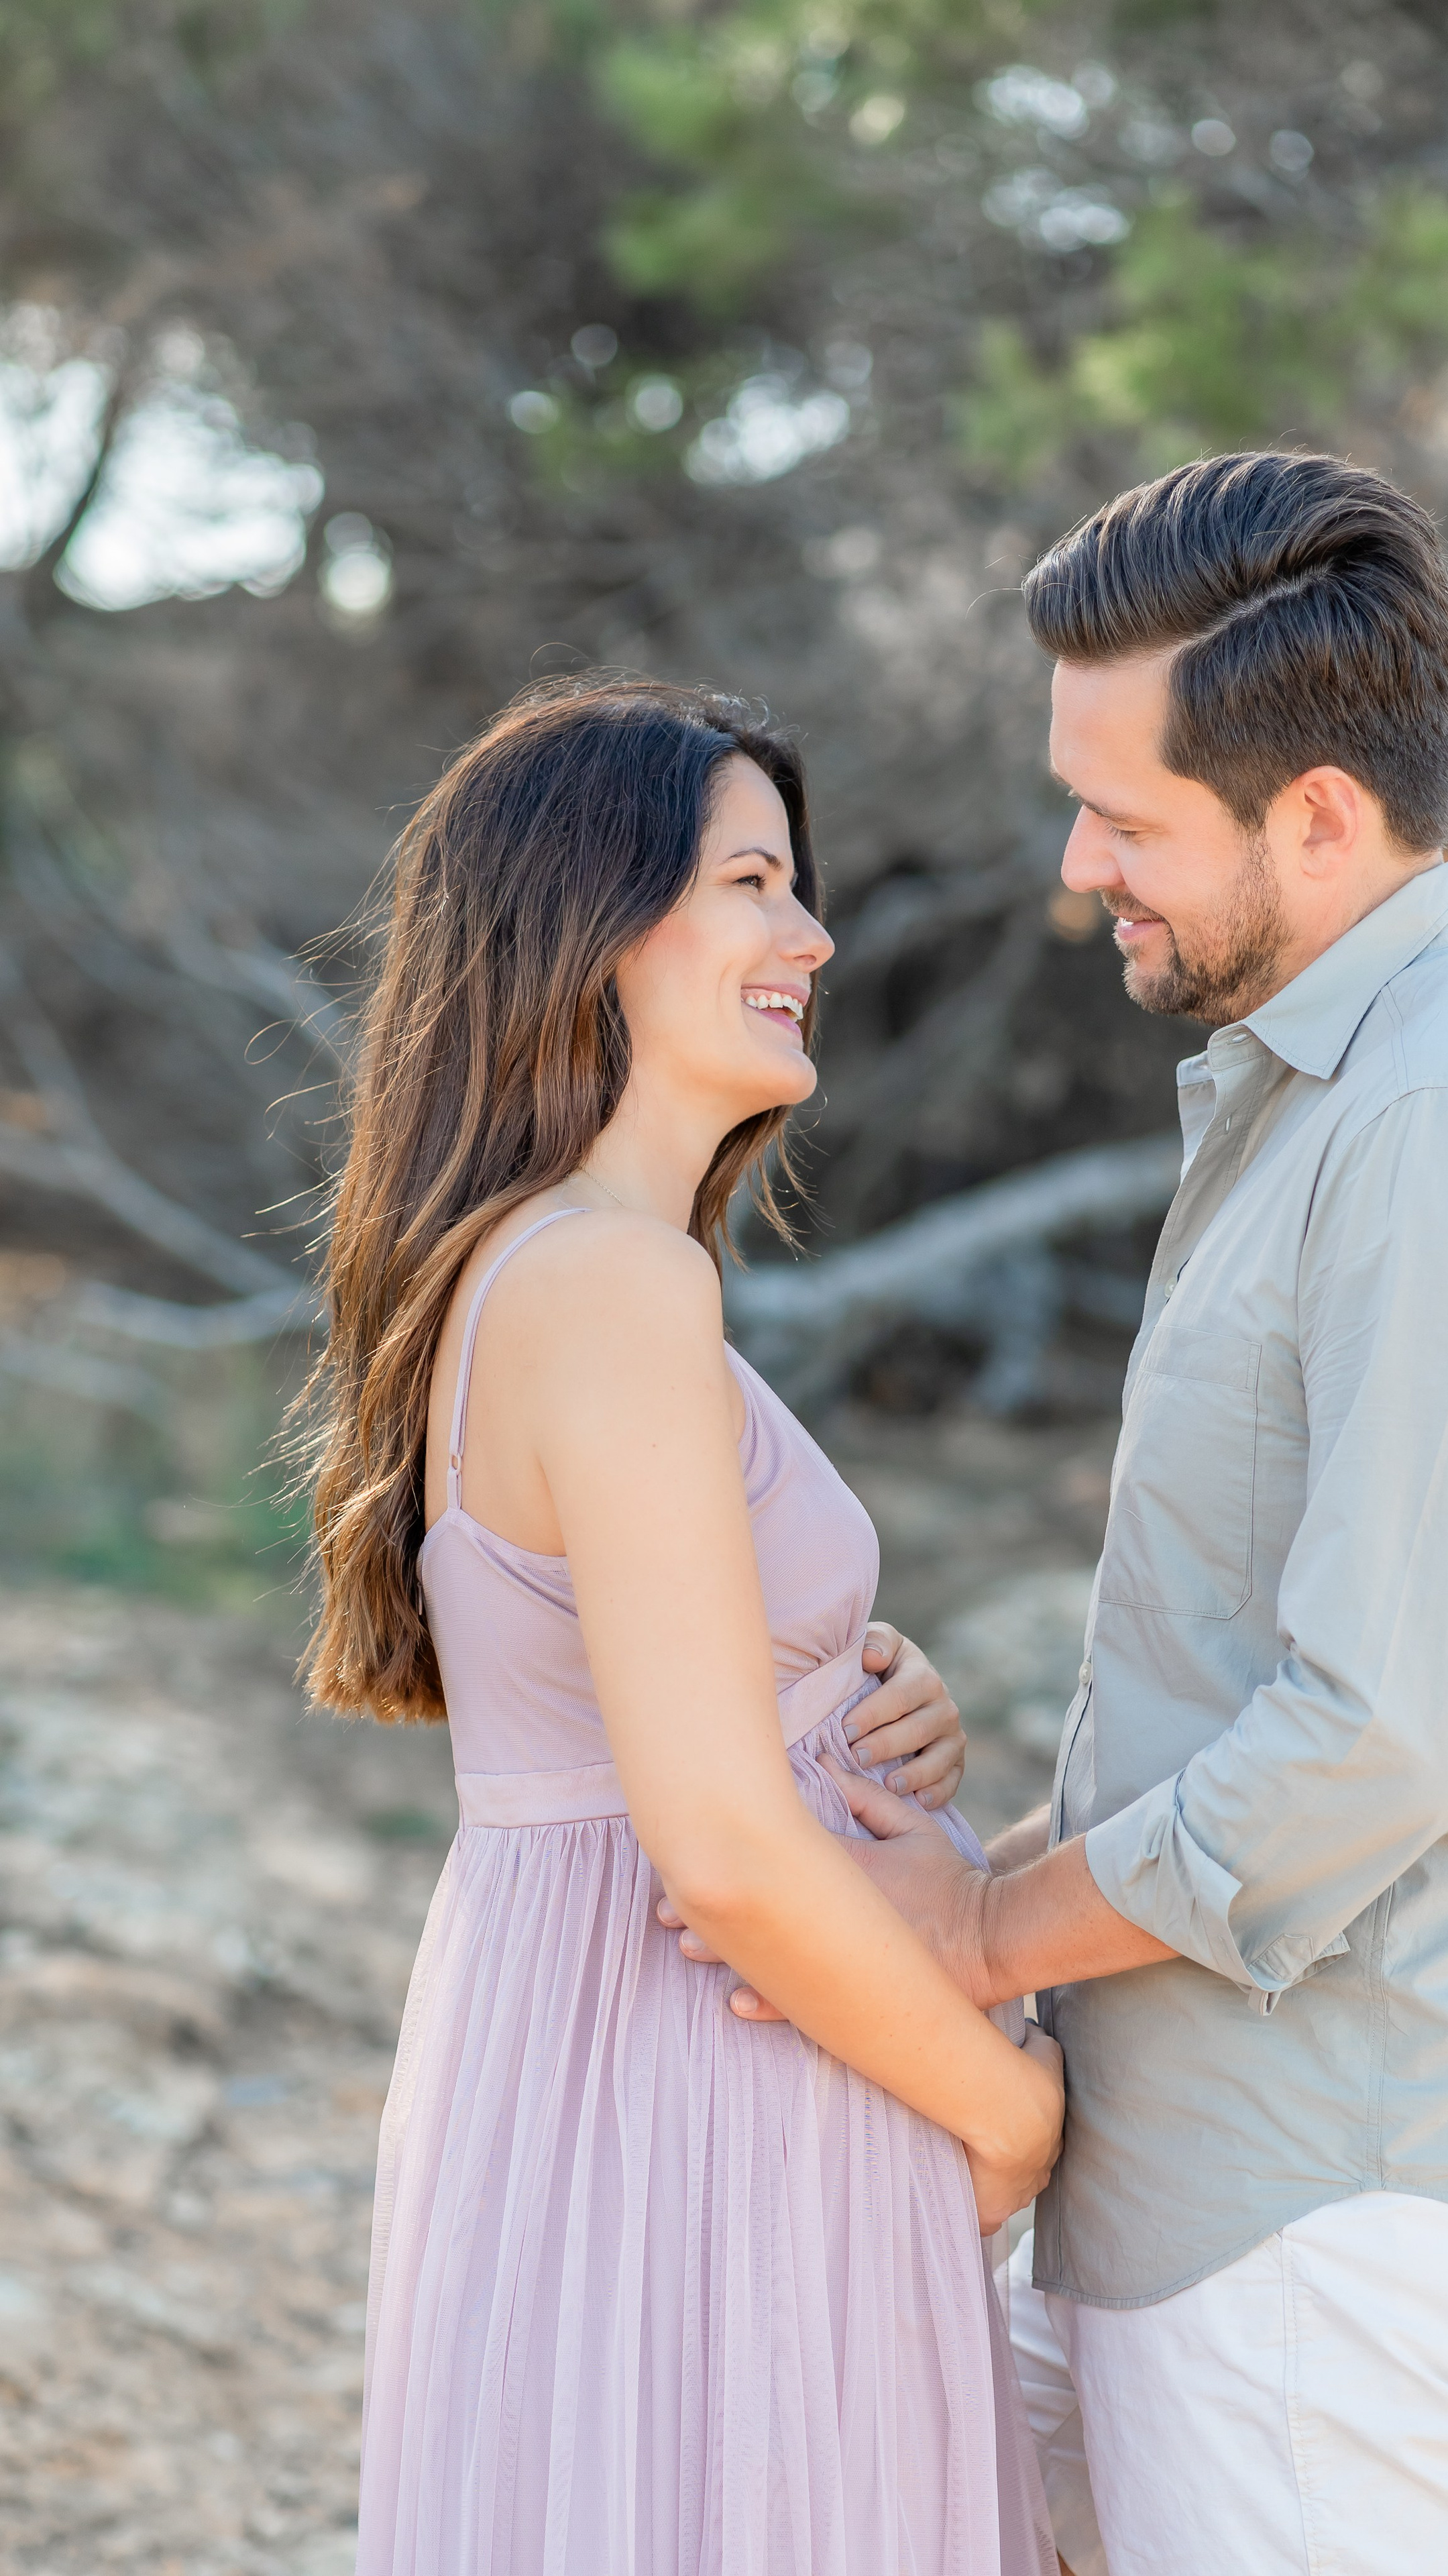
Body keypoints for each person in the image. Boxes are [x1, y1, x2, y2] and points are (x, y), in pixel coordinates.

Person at [698, 453, 1448, 2575]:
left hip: (1338, 2209)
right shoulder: (1324, 1092)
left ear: (1319, 817)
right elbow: (1242, 1698)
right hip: (1204, 2190)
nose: (1079, 869)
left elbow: (1375, 1742)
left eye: (1130, 819)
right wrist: (969, 1850)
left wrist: (974, 1931)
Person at [299, 676, 1062, 2575]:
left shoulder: (556, 1270)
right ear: (592, 927)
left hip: (635, 2072)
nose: (810, 936)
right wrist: (1010, 2113)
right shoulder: (609, 1282)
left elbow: (655, 1705)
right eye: (752, 885)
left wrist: (856, 1698)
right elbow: (717, 1850)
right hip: (714, 2085)